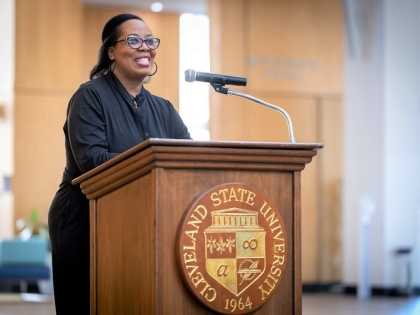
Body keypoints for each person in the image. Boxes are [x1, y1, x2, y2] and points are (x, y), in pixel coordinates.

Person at [48, 13, 191, 314]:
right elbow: (94, 161)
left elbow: (187, 160)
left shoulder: (163, 108)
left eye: (150, 41)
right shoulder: (90, 96)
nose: (145, 48)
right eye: (134, 40)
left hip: (143, 221)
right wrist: (155, 160)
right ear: (111, 51)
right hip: (84, 219)